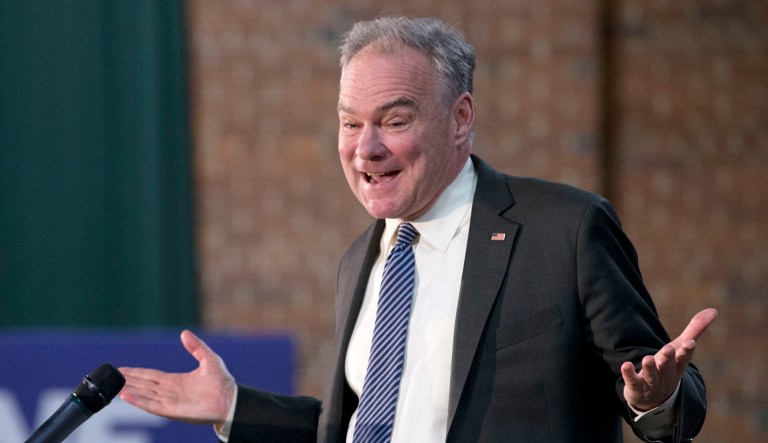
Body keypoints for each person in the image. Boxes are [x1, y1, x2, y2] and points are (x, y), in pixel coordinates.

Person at [119, 16, 718, 443]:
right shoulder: (361, 259)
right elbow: (370, 426)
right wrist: (235, 407)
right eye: (350, 124)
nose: (365, 149)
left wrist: (656, 398)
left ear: (460, 118)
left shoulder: (565, 228)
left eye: (394, 121)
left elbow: (664, 394)